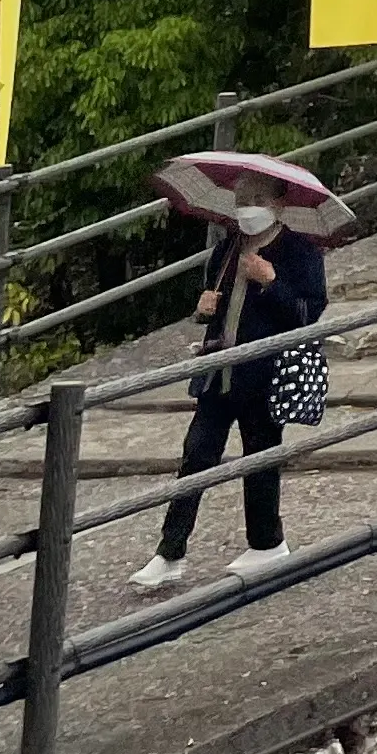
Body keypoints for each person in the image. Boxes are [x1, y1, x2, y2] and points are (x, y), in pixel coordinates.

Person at [130, 200, 325, 590]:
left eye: (257, 197)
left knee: (260, 457)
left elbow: (308, 313)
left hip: (265, 372)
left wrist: (271, 281)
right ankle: (170, 551)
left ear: (277, 202)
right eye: (241, 198)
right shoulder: (227, 248)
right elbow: (218, 310)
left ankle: (267, 542)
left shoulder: (300, 250)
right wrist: (203, 311)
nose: (247, 208)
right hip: (217, 371)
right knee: (196, 453)